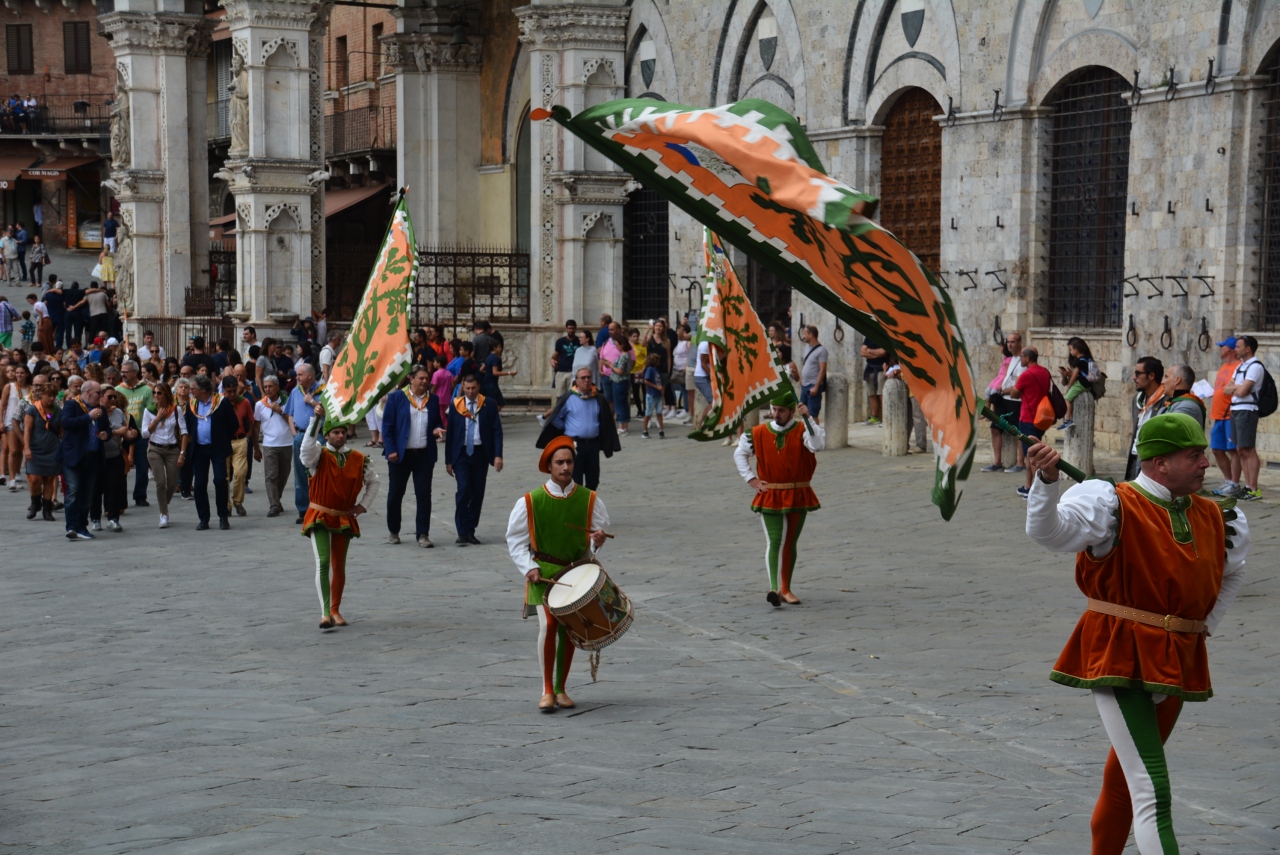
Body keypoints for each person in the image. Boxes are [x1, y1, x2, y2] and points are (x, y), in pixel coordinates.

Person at [1023, 414, 1249, 855]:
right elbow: (1048, 533)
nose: (1206, 463)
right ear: (1160, 463)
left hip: (1179, 658)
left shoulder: (1214, 514)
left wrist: (1199, 631)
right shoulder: (1111, 503)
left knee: (1124, 782)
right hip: (1119, 654)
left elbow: (1230, 575)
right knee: (1152, 788)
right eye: (1194, 455)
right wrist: (1047, 483)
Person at [505, 435, 611, 712]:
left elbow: (593, 541)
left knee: (570, 629)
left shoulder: (589, 499)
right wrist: (529, 567)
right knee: (549, 625)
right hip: (545, 572)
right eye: (559, 462)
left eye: (569, 462)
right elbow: (515, 540)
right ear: (549, 466)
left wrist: (595, 543)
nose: (565, 467)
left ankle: (562, 689)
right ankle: (546, 690)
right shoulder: (531, 500)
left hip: (576, 573)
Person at [734, 387, 825, 607]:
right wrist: (751, 479)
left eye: (781, 411)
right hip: (771, 494)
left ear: (792, 411)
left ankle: (786, 588)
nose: (776, 414)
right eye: (774, 409)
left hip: (798, 492)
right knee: (775, 541)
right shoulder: (757, 433)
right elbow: (740, 454)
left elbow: (818, 445)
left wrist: (809, 419)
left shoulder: (803, 429)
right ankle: (774, 589)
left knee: (790, 543)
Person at [300, 401, 380, 629]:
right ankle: (325, 612)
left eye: (343, 432)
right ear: (327, 434)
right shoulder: (318, 455)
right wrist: (316, 420)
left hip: (344, 516)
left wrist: (362, 506)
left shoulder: (359, 458)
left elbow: (374, 482)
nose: (340, 436)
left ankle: (336, 609)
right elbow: (305, 450)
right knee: (323, 562)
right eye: (335, 432)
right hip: (320, 514)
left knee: (339, 565)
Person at [382, 364, 445, 547]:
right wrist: (391, 448)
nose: (425, 381)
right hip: (400, 455)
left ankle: (423, 534)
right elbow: (387, 426)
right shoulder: (396, 398)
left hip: (424, 454)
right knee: (395, 494)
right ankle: (394, 530)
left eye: (427, 378)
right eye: (421, 378)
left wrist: (437, 430)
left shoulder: (433, 400)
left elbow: (437, 422)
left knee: (424, 494)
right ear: (411, 378)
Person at [537, 366, 620, 490]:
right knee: (575, 480)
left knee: (593, 479)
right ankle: (576, 505)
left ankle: (589, 505)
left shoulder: (598, 398)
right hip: (575, 445)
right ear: (576, 381)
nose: (586, 380)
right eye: (583, 378)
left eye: (588, 377)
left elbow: (606, 421)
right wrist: (568, 428)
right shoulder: (569, 397)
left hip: (593, 445)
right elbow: (557, 418)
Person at [445, 374, 504, 545]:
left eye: (473, 388)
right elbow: (451, 434)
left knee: (477, 493)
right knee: (463, 490)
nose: (470, 392)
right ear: (462, 386)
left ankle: (471, 529)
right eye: (467, 388)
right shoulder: (456, 405)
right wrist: (449, 460)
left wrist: (498, 454)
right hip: (461, 454)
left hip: (480, 454)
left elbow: (496, 431)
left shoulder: (488, 404)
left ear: (478, 386)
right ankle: (461, 530)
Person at [183, 375, 237, 531]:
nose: (190, 391)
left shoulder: (221, 402)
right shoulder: (191, 404)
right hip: (199, 448)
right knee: (199, 485)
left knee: (220, 480)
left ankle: (223, 516)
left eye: (192, 388)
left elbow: (233, 424)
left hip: (217, 448)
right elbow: (188, 424)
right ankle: (203, 518)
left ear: (202, 389)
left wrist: (223, 438)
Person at [61, 380, 108, 540]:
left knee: (87, 494)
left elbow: (106, 429)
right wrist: (88, 417)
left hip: (93, 456)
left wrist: (105, 434)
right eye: (98, 393)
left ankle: (82, 526)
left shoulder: (101, 409)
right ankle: (72, 527)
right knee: (73, 490)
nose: (100, 396)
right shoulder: (72, 405)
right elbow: (66, 423)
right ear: (87, 392)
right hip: (74, 455)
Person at [1222, 335, 1264, 501]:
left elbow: (1239, 391)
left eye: (1238, 347)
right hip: (1236, 409)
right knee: (1240, 449)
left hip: (1247, 410)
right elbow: (1227, 389)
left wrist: (1237, 388)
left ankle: (1253, 488)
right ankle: (1247, 486)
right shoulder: (1240, 367)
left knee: (1248, 448)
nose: (1235, 349)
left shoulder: (1255, 367)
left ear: (1248, 349)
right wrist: (1240, 387)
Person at [1007, 346, 1052, 498]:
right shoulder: (1045, 372)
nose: (1020, 359)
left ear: (1027, 358)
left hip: (1028, 418)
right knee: (1030, 454)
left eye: (1021, 356)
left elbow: (1014, 394)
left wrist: (1006, 389)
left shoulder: (1026, 375)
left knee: (1032, 456)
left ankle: (1038, 491)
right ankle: (1028, 486)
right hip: (1042, 418)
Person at [89, 386, 135, 533]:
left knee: (115, 487)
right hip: (98, 456)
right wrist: (117, 432)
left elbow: (125, 433)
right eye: (109, 397)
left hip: (115, 454)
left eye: (114, 397)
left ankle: (113, 518)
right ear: (101, 397)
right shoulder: (94, 413)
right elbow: (97, 433)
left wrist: (130, 434)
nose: (113, 400)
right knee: (96, 489)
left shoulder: (119, 412)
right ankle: (95, 519)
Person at [142, 382, 186, 529]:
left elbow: (184, 432)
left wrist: (182, 453)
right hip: (155, 449)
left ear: (166, 394)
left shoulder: (176, 410)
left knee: (172, 483)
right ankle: (164, 513)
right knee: (160, 482)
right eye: (154, 393)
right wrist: (156, 418)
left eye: (159, 393)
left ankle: (163, 503)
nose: (156, 396)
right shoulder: (150, 410)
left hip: (172, 449)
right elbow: (144, 433)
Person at [981, 332, 1026, 472]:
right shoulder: (1011, 359)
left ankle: (1020, 463)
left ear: (1019, 343)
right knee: (995, 428)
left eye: (1012, 342)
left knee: (1017, 432)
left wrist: (1003, 391)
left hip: (1014, 400)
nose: (1009, 345)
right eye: (1008, 342)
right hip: (1003, 399)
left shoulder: (1023, 361)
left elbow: (1018, 385)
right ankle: (997, 462)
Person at [285, 363, 323, 523]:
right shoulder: (295, 391)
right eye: (296, 375)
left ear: (310, 375)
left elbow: (329, 412)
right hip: (300, 435)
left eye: (300, 375)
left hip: (318, 436)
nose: (297, 378)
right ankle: (303, 510)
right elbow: (290, 414)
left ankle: (320, 508)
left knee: (319, 473)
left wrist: (313, 402)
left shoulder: (324, 391)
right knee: (300, 474)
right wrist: (294, 433)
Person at [117, 360, 156, 507]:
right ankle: (121, 496)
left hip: (140, 434)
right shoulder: (117, 390)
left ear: (135, 373)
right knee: (121, 467)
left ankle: (140, 495)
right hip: (122, 434)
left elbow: (150, 410)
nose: (123, 374)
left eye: (126, 371)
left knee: (142, 465)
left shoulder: (146, 390)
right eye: (122, 371)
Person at [21, 377, 61, 521]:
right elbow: (27, 431)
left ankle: (47, 509)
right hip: (36, 449)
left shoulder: (58, 410)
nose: (51, 398)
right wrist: (27, 448)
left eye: (53, 396)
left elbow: (61, 430)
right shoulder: (32, 409)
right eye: (49, 395)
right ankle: (35, 502)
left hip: (52, 448)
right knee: (34, 479)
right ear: (41, 395)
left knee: (50, 478)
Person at [254, 376, 293, 517]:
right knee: (271, 476)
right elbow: (256, 426)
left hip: (287, 443)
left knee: (283, 475)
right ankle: (274, 505)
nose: (268, 389)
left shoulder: (287, 402)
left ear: (277, 387)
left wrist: (280, 411)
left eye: (270, 386)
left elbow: (292, 421)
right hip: (269, 444)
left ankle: (277, 499)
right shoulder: (260, 405)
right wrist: (256, 448)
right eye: (265, 387)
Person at [1208, 337, 1242, 497]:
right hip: (1218, 415)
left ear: (1228, 349)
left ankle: (1234, 483)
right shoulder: (1224, 366)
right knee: (1216, 449)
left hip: (1230, 414)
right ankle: (1228, 480)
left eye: (1222, 346)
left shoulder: (1239, 367)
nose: (1220, 349)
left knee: (1233, 450)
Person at [1125, 356, 1167, 482]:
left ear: (1151, 376)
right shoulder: (1137, 399)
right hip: (1135, 455)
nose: (1134, 377)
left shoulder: (1166, 401)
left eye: (1138, 373)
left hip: (1152, 459)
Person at [225, 377, 255, 516]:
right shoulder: (219, 402)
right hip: (224, 441)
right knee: (224, 476)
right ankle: (227, 505)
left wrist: (247, 439)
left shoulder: (245, 402)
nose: (232, 394)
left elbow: (251, 422)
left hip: (240, 440)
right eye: (228, 391)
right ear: (224, 390)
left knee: (240, 473)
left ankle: (238, 501)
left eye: (234, 391)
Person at [600, 323, 633, 436]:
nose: (616, 346)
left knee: (619, 404)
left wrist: (610, 366)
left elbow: (620, 371)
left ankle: (622, 427)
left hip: (619, 381)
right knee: (620, 403)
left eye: (618, 345)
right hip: (617, 380)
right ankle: (623, 425)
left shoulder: (624, 356)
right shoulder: (623, 354)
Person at [2, 362, 31, 490]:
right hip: (11, 421)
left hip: (26, 422)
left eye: (21, 373)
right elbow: (2, 405)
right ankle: (11, 479)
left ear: (27, 374)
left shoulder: (30, 388)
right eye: (17, 373)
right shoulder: (10, 386)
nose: (18, 375)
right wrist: (1, 421)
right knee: (13, 450)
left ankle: (17, 472)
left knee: (20, 450)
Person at [1055, 336, 1095, 430]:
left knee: (1067, 399)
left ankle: (1068, 420)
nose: (1070, 352)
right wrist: (1066, 376)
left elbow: (1075, 375)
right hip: (1088, 385)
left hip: (1081, 385)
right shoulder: (1088, 360)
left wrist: (1070, 385)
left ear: (1076, 350)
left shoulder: (1079, 362)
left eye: (1070, 349)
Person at [794, 325, 828, 423]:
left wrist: (816, 386)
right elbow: (805, 364)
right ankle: (807, 433)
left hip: (813, 384)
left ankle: (816, 435)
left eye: (805, 334)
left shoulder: (822, 350)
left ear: (811, 334)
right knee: (803, 410)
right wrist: (801, 377)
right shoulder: (806, 348)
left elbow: (822, 369)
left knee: (813, 413)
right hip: (805, 384)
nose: (803, 336)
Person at [1159, 364, 1205, 429]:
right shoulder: (1171, 404)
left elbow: (1165, 430)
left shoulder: (1188, 407)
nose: (1162, 382)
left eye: (1166, 377)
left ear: (1177, 380)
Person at [859, 338, 887, 424]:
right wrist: (876, 354)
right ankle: (875, 417)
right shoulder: (868, 337)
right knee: (872, 394)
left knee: (881, 394)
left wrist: (869, 351)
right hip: (870, 368)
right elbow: (862, 352)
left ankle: (885, 418)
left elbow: (883, 352)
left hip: (882, 368)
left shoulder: (883, 337)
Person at [550, 320, 579, 396]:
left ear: (575, 329)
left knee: (572, 395)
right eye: (569, 328)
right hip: (562, 371)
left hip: (573, 372)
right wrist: (552, 361)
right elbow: (554, 356)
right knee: (560, 395)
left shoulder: (579, 341)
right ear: (566, 329)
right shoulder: (560, 341)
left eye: (573, 328)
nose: (571, 330)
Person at [641, 352, 665, 439]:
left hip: (657, 395)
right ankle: (645, 431)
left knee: (659, 412)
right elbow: (646, 381)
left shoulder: (655, 370)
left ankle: (661, 430)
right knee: (648, 413)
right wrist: (657, 387)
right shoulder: (650, 369)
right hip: (652, 394)